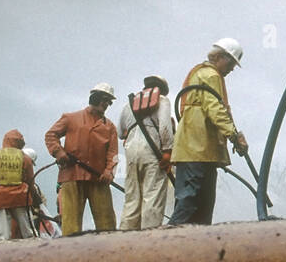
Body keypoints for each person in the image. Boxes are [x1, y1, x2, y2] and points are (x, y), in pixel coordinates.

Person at [169, 39, 247, 225]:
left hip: (201, 151)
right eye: (231, 63)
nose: (232, 69)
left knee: (202, 206)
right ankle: (166, 246)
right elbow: (215, 110)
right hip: (195, 150)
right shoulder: (210, 75)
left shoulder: (202, 74)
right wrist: (234, 136)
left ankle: (197, 249)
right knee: (189, 203)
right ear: (219, 57)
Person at [44, 84, 120, 235]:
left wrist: (109, 171)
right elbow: (51, 135)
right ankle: (70, 252)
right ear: (95, 98)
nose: (106, 105)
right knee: (70, 222)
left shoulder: (110, 127)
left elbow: (113, 154)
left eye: (109, 102)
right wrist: (59, 153)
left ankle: (109, 249)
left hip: (98, 178)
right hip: (72, 176)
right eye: (105, 100)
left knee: (107, 222)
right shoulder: (71, 118)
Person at [118, 74, 175, 229]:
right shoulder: (162, 100)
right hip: (152, 152)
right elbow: (164, 126)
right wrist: (168, 151)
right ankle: (149, 239)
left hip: (130, 153)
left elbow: (120, 132)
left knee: (131, 198)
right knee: (153, 196)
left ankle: (125, 238)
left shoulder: (128, 104)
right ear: (162, 90)